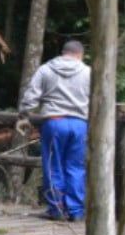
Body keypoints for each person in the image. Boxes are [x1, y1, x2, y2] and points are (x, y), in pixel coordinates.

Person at [19, 39, 91, 221]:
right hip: (79, 124)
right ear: (80, 54)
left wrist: (24, 114)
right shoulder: (88, 72)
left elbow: (31, 95)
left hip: (54, 122)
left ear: (63, 52)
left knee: (53, 166)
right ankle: (76, 211)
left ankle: (57, 209)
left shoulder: (46, 69)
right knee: (76, 167)